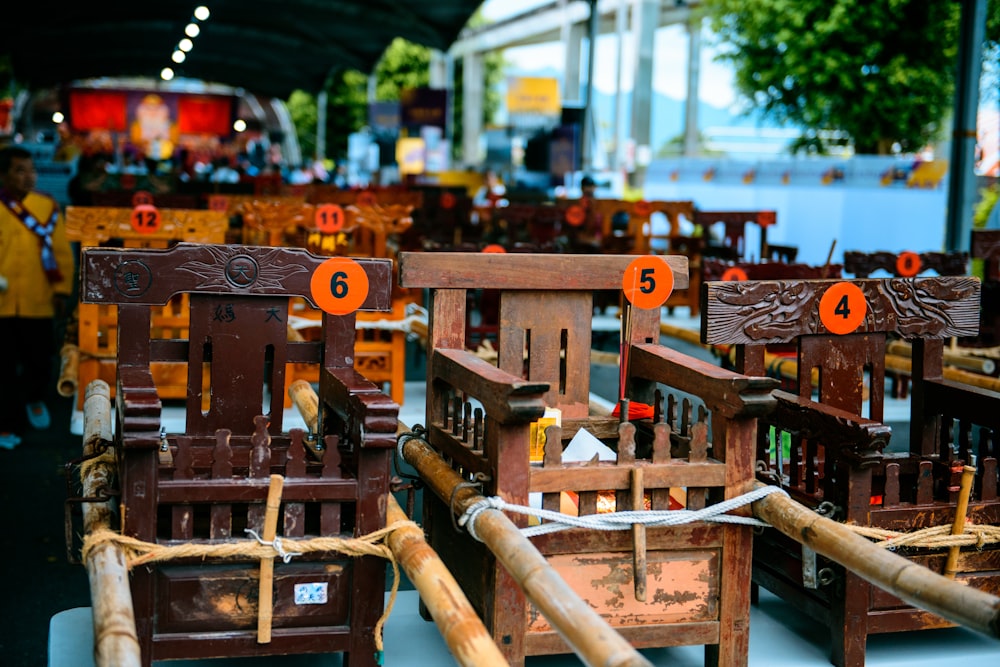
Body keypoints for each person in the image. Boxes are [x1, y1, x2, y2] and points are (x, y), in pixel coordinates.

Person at [0, 145, 75, 448]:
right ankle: (6, 423)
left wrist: (61, 291)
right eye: (20, 170)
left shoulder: (47, 206)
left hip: (38, 299)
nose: (29, 176)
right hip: (2, 305)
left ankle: (34, 399)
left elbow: (61, 252)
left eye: (31, 170)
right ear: (3, 175)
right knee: (3, 366)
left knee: (39, 360)